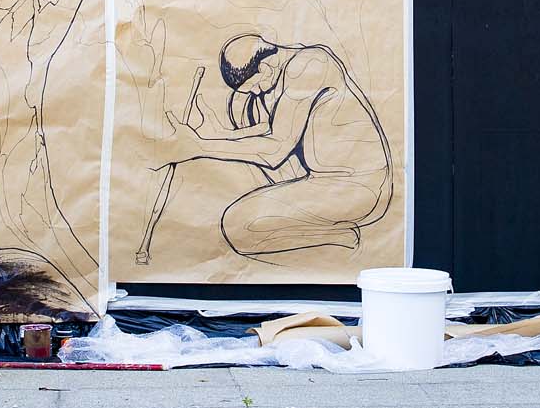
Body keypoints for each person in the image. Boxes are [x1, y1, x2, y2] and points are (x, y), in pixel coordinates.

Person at [144, 33, 393, 261]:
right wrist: (219, 136)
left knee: (237, 225)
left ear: (264, 66)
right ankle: (336, 234)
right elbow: (272, 128)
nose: (255, 92)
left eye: (254, 85)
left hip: (357, 188)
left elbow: (275, 150)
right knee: (240, 219)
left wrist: (199, 147)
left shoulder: (309, 66)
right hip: (332, 183)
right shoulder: (291, 68)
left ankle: (338, 238)